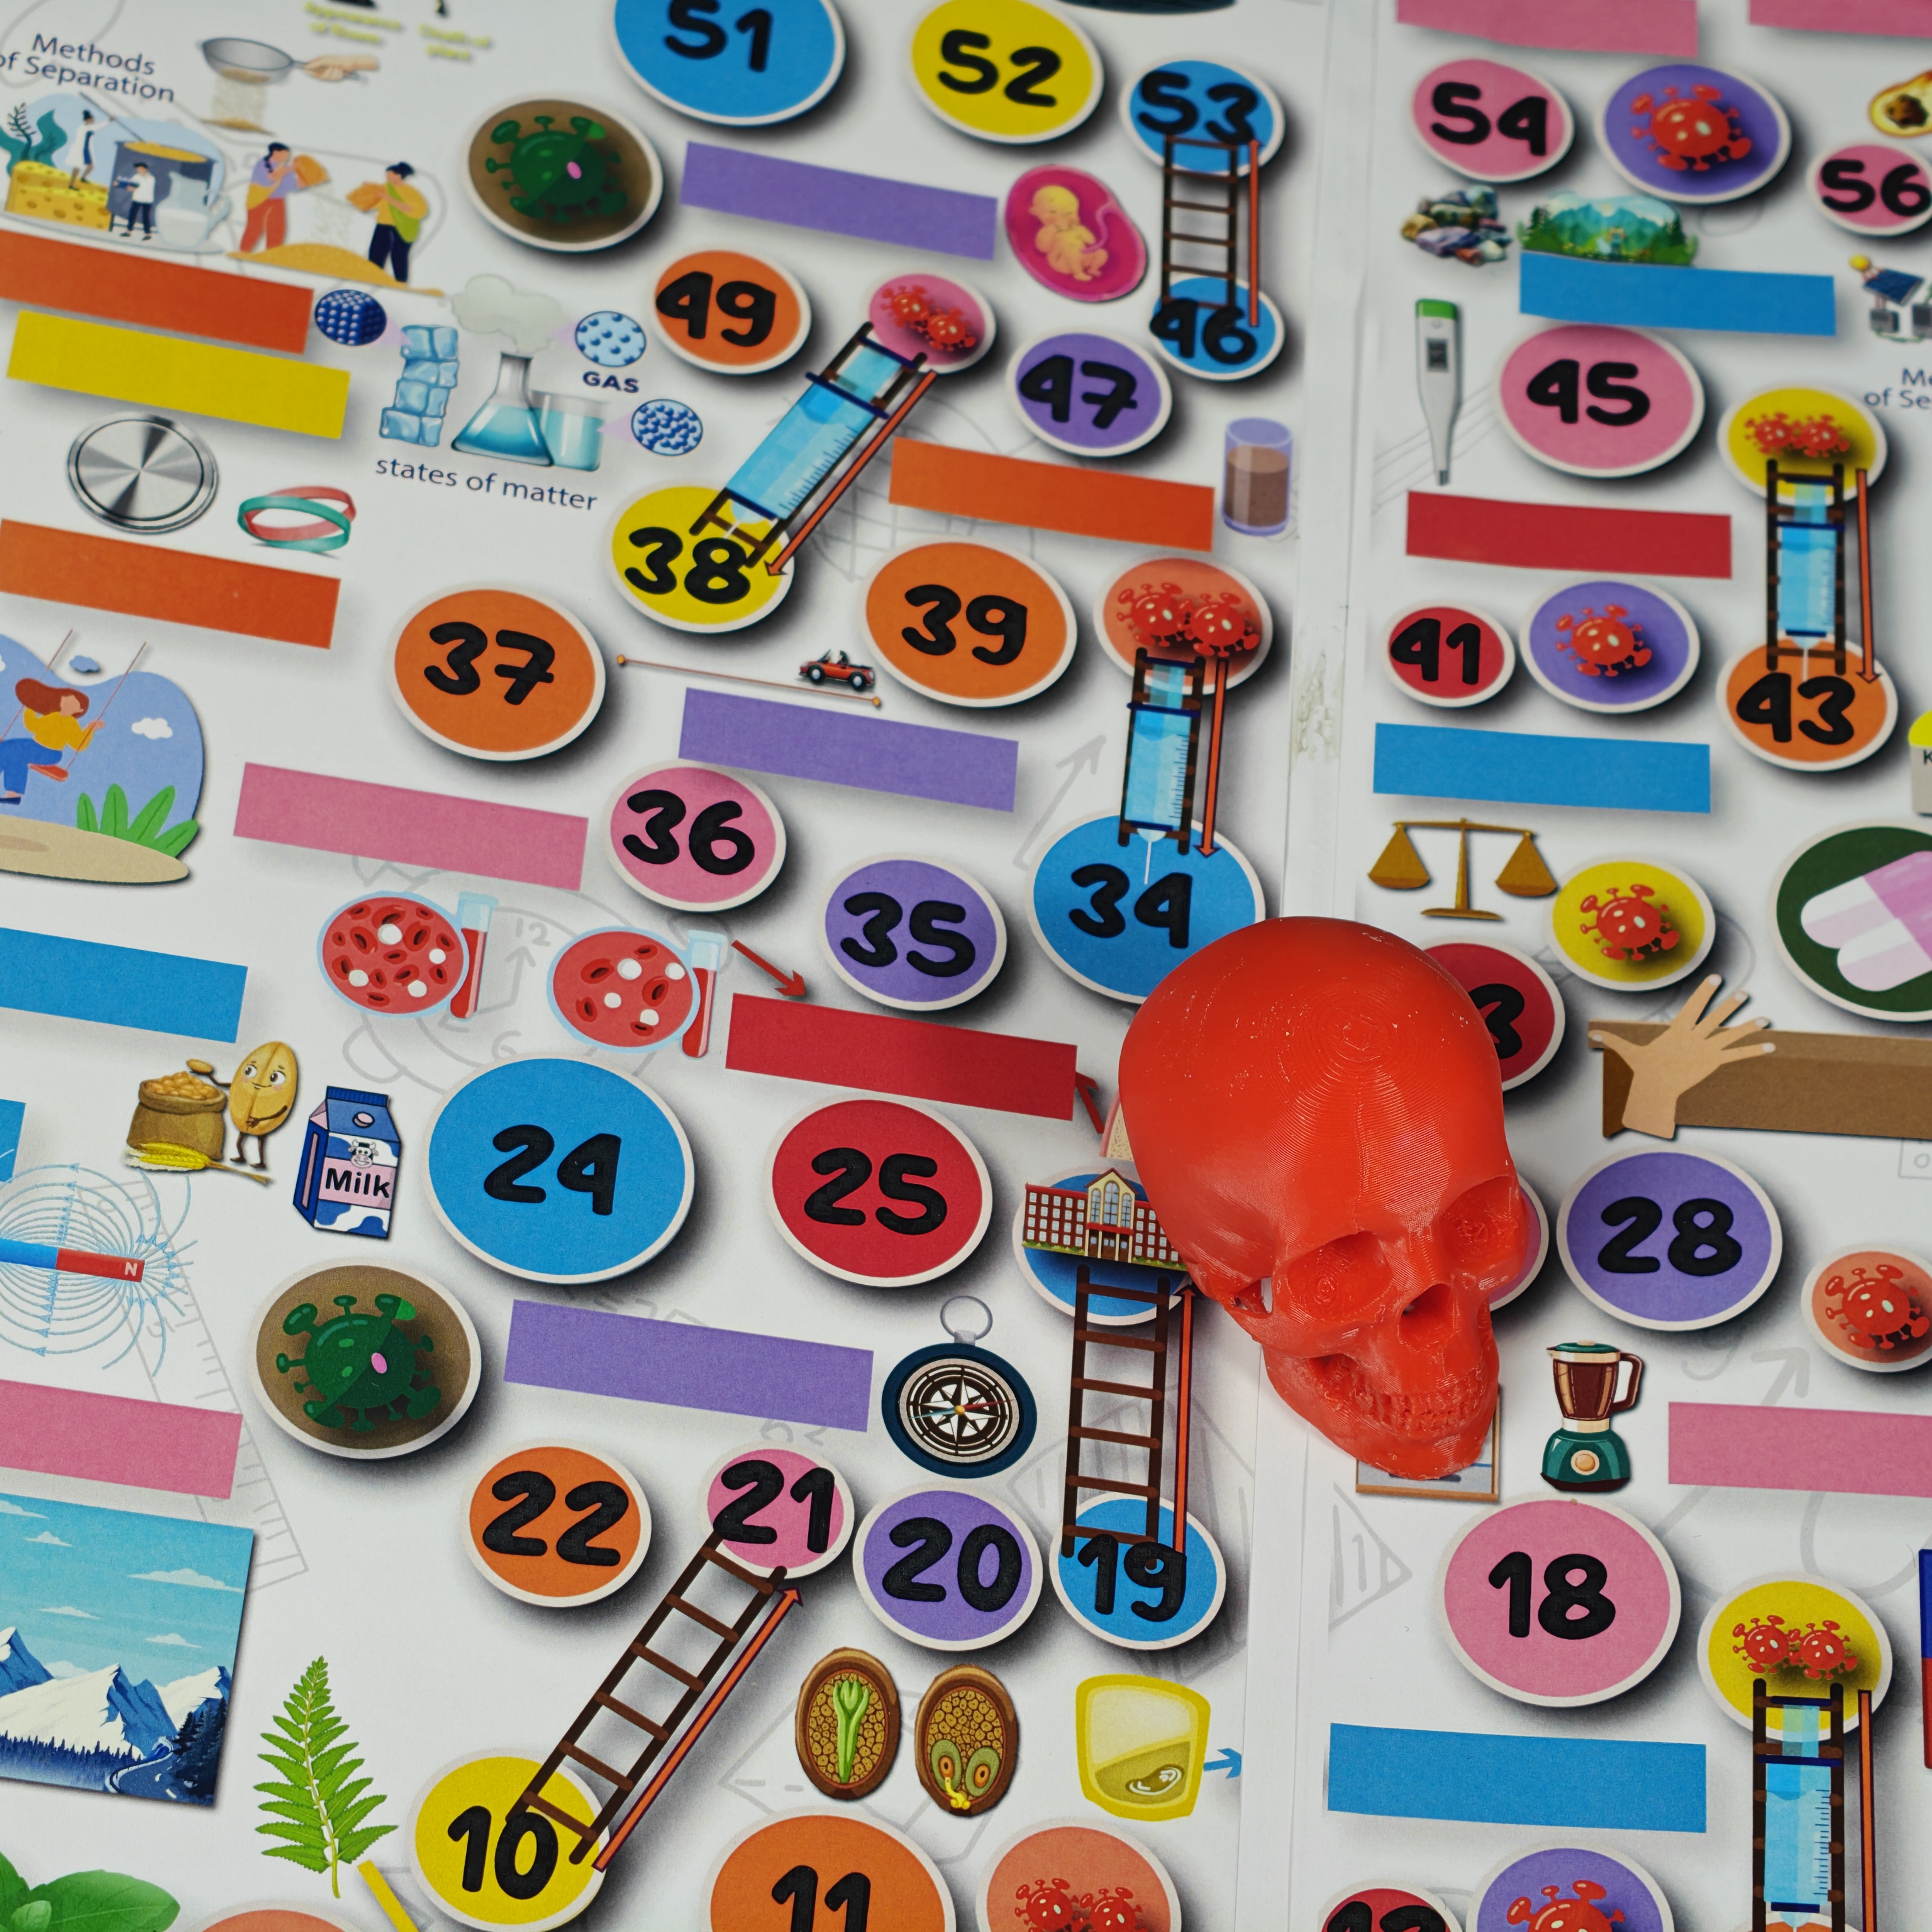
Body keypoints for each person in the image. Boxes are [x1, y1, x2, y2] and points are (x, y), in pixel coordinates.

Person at [0, 679, 96, 801]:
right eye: (66, 697)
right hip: (35, 746)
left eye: (72, 700)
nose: (66, 699)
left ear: (79, 710)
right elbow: (33, 726)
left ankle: (14, 793)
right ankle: (13, 794)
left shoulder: (71, 723)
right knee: (6, 747)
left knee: (15, 753)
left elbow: (78, 744)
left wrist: (90, 729)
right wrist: (29, 708)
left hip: (49, 753)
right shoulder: (53, 716)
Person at [358, 162, 426, 284]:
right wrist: (368, 191)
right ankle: (372, 280)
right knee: (375, 255)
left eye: (390, 175)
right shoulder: (385, 188)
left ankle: (401, 285)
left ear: (398, 176)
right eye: (387, 174)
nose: (387, 177)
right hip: (383, 226)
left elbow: (416, 210)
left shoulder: (410, 192)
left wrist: (387, 197)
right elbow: (376, 204)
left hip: (402, 229)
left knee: (399, 257)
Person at [240, 142, 301, 252]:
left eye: (287, 155)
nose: (286, 157)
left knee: (277, 228)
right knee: (255, 227)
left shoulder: (284, 167)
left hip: (277, 200)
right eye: (284, 154)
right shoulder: (262, 164)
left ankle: (273, 254)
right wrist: (291, 168)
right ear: (275, 153)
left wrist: (309, 180)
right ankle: (244, 251)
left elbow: (293, 186)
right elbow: (271, 178)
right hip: (258, 200)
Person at [113, 160, 156, 239]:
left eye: (139, 169)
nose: (138, 170)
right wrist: (121, 185)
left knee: (146, 217)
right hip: (137, 199)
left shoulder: (151, 178)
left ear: (144, 169)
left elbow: (134, 187)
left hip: (147, 201)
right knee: (132, 216)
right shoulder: (136, 177)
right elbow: (131, 187)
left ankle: (148, 234)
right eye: (137, 169)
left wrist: (121, 185)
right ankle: (128, 232)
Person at [67, 110, 96, 188]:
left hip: (85, 149)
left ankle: (83, 178)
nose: (93, 121)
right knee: (77, 167)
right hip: (80, 149)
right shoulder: (83, 128)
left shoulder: (89, 128)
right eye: (91, 120)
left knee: (90, 166)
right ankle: (72, 184)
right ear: (88, 120)